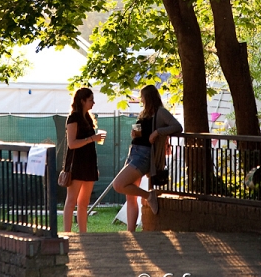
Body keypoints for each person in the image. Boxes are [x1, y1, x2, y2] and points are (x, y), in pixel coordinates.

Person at [113, 84, 183, 232]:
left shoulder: (161, 112)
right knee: (130, 196)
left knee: (118, 184)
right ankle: (130, 232)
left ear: (149, 97)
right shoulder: (144, 113)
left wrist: (158, 132)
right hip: (134, 152)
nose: (141, 99)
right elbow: (141, 133)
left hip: (144, 154)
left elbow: (177, 126)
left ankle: (149, 195)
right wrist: (135, 133)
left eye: (142, 96)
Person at [63, 87, 106, 232]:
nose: (93, 103)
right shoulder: (73, 118)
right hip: (76, 164)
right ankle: (67, 233)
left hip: (89, 163)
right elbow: (72, 143)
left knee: (84, 202)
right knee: (71, 201)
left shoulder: (87, 117)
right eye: (90, 100)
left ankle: (83, 234)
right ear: (82, 101)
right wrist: (92, 138)